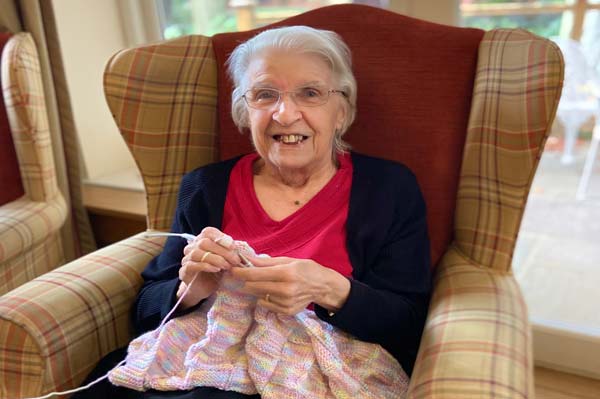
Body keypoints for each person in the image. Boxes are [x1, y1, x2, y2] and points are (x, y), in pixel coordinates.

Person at [74, 25, 431, 399]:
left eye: (310, 93)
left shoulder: (388, 189)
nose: (285, 113)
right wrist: (189, 289)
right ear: (245, 111)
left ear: (341, 111)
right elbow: (146, 311)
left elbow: (409, 326)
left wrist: (329, 289)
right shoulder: (205, 187)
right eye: (265, 95)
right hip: (194, 365)